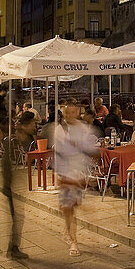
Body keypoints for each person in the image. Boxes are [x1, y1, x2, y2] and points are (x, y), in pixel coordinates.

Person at [53, 101, 100, 257]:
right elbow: (59, 151)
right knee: (68, 209)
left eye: (74, 112)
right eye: (68, 113)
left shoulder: (83, 128)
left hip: (78, 173)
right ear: (65, 114)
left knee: (71, 208)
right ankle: (72, 239)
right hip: (66, 173)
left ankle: (71, 237)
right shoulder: (60, 130)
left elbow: (89, 148)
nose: (71, 115)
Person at [0, 110, 38, 260]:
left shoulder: (26, 138)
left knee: (18, 217)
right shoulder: (12, 140)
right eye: (32, 124)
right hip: (12, 186)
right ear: (25, 125)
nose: (35, 126)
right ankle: (13, 248)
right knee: (17, 217)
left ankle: (13, 247)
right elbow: (5, 163)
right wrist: (7, 185)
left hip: (19, 184)